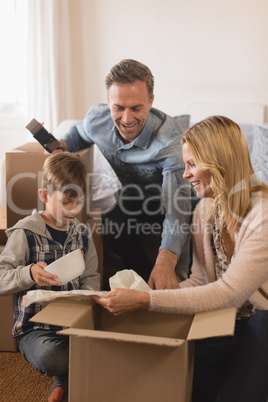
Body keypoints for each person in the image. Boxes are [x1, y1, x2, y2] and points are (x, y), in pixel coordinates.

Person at [91, 116, 268, 402]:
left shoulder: (263, 217)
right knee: (174, 370)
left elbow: (230, 293)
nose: (185, 175)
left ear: (219, 162)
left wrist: (145, 301)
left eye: (192, 164)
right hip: (228, 322)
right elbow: (200, 281)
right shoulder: (205, 212)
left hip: (261, 321)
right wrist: (145, 295)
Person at [57, 59, 192, 290]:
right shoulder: (97, 118)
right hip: (134, 196)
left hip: (175, 201)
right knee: (112, 226)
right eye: (119, 107)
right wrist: (63, 144)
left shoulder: (170, 143)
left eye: (136, 108)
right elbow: (80, 133)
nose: (127, 119)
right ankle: (142, 280)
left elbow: (177, 209)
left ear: (150, 101)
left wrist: (166, 260)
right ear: (108, 101)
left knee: (183, 258)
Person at [0, 153, 100, 402]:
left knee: (109, 347)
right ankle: (67, 378)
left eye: (79, 203)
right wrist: (29, 273)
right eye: (67, 202)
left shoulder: (82, 234)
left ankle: (63, 382)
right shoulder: (25, 232)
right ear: (44, 196)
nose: (74, 210)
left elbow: (91, 276)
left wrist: (89, 295)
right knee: (52, 357)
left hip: (74, 326)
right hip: (35, 331)